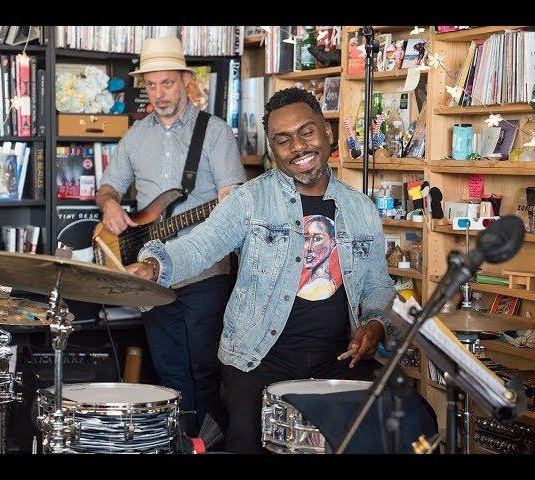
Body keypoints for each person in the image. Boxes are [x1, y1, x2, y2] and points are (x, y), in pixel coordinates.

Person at [126, 87, 399, 453]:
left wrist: (377, 322)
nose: (298, 147)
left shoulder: (361, 208)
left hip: (338, 362)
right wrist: (155, 265)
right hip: (257, 360)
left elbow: (378, 286)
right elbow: (201, 245)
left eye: (306, 132)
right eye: (283, 141)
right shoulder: (249, 199)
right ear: (273, 150)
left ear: (327, 132)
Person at [96, 36, 246, 438]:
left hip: (205, 272)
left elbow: (233, 202)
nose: (159, 93)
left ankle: (210, 441)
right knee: (169, 368)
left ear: (186, 80)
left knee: (204, 367)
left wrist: (230, 202)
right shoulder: (135, 137)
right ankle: (179, 441)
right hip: (151, 273)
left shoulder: (214, 133)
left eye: (167, 83)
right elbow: (109, 186)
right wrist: (110, 204)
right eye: (152, 85)